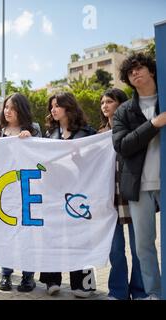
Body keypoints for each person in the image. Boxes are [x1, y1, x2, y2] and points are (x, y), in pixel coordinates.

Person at [113, 52, 166, 299]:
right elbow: (122, 146)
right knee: (144, 245)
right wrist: (154, 124)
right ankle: (154, 293)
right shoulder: (124, 111)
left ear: (152, 70)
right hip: (138, 185)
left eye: (139, 67)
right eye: (130, 71)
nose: (135, 72)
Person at [39, 92, 97, 298]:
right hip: (54, 193)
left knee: (79, 237)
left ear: (68, 107)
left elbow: (94, 161)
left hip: (79, 194)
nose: (53, 110)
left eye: (57, 106)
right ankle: (51, 281)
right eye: (51, 106)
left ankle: (82, 284)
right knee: (53, 236)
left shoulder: (87, 132)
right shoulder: (49, 134)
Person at [99, 88, 148, 300]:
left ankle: (140, 291)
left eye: (109, 101)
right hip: (110, 199)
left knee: (140, 249)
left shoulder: (133, 129)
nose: (105, 106)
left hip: (133, 194)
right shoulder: (98, 135)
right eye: (102, 103)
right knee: (116, 250)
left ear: (122, 104)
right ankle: (117, 292)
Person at [0, 93, 42, 293]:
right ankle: (6, 274)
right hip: (4, 190)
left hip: (27, 189)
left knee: (27, 234)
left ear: (21, 110)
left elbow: (42, 155)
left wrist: (31, 140)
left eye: (12, 108)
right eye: (6, 107)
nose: (8, 111)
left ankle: (28, 276)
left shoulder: (34, 129)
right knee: (6, 233)